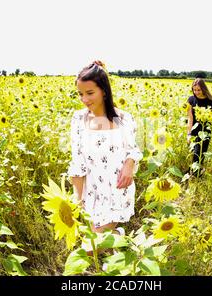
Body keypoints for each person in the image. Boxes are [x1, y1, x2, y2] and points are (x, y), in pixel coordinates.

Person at [67, 60, 143, 251]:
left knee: (90, 248)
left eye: (90, 93)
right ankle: (118, 241)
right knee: (96, 239)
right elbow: (77, 161)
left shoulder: (123, 118)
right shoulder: (78, 119)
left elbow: (133, 149)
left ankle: (117, 238)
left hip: (117, 190)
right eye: (80, 94)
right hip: (91, 192)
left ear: (104, 91)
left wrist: (129, 165)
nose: (84, 99)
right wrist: (78, 198)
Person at [187, 78, 212, 177]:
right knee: (194, 153)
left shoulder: (211, 102)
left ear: (204, 89)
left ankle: (195, 176)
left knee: (200, 155)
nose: (196, 92)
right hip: (194, 130)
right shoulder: (191, 100)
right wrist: (188, 134)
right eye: (194, 90)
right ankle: (195, 174)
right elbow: (190, 118)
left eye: (199, 90)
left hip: (206, 132)